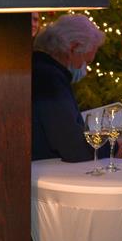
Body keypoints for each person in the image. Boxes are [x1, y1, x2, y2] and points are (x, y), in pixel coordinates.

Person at [31, 14, 105, 162]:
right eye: (86, 61)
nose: (85, 69)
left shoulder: (39, 68)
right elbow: (72, 145)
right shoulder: (49, 79)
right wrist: (111, 147)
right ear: (73, 48)